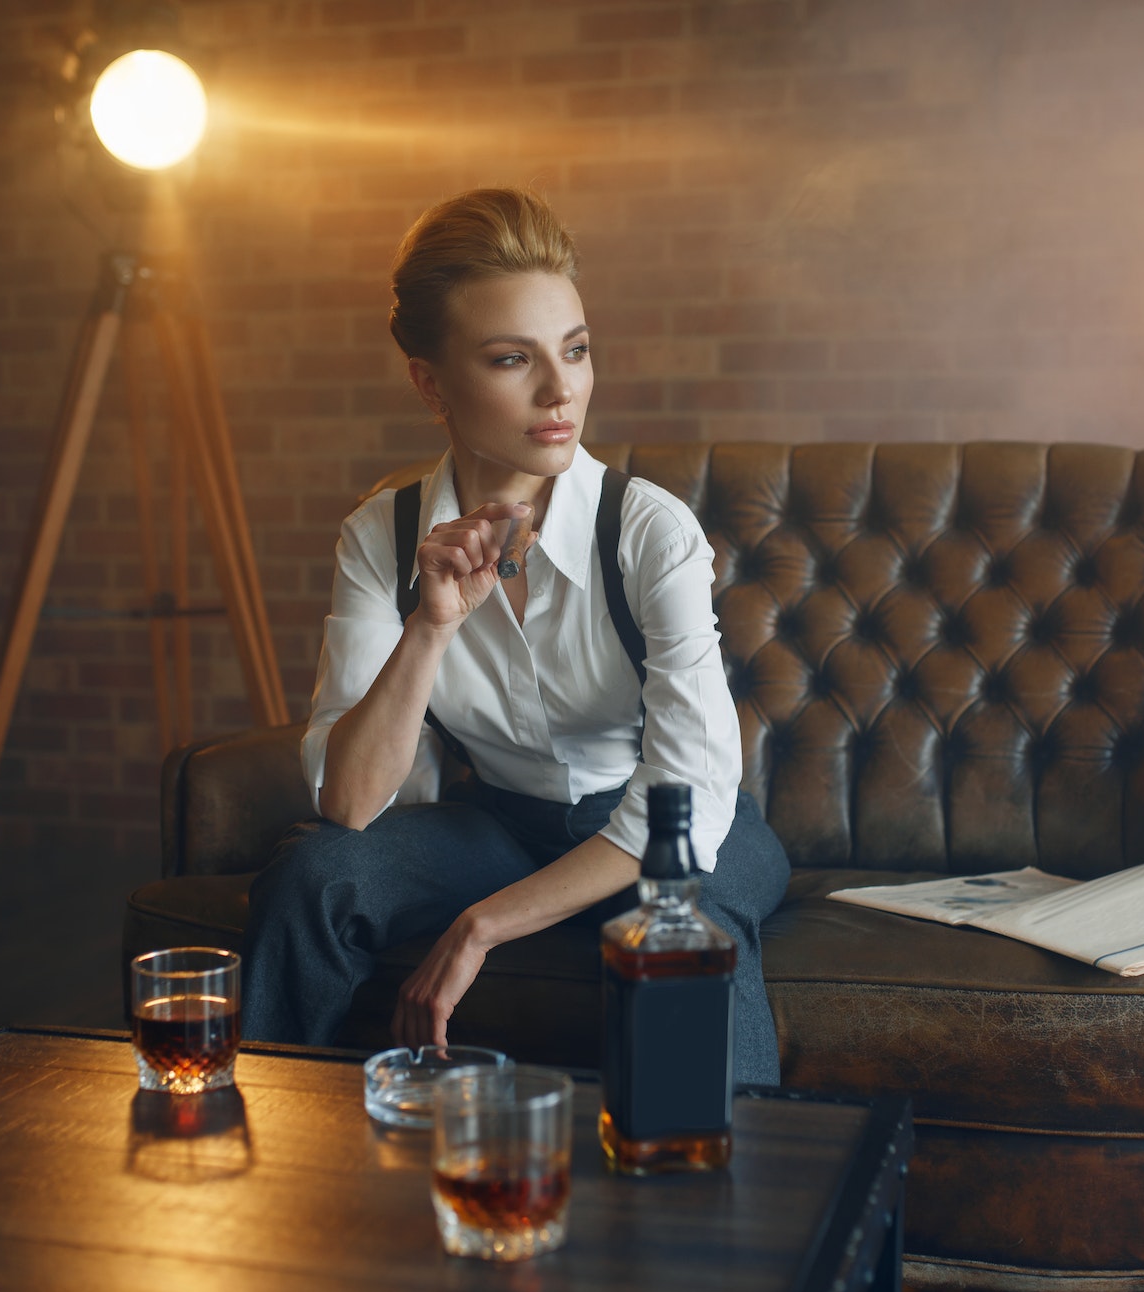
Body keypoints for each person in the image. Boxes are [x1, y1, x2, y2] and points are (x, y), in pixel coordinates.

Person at [241, 187, 791, 1084]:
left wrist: (484, 923)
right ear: (431, 382)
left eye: (574, 351)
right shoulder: (383, 536)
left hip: (682, 828)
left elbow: (682, 799)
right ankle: (272, 1149)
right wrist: (429, 626)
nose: (560, 389)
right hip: (502, 828)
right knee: (314, 875)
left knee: (687, 929)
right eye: (511, 358)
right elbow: (349, 804)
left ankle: (720, 1212)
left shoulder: (651, 532)